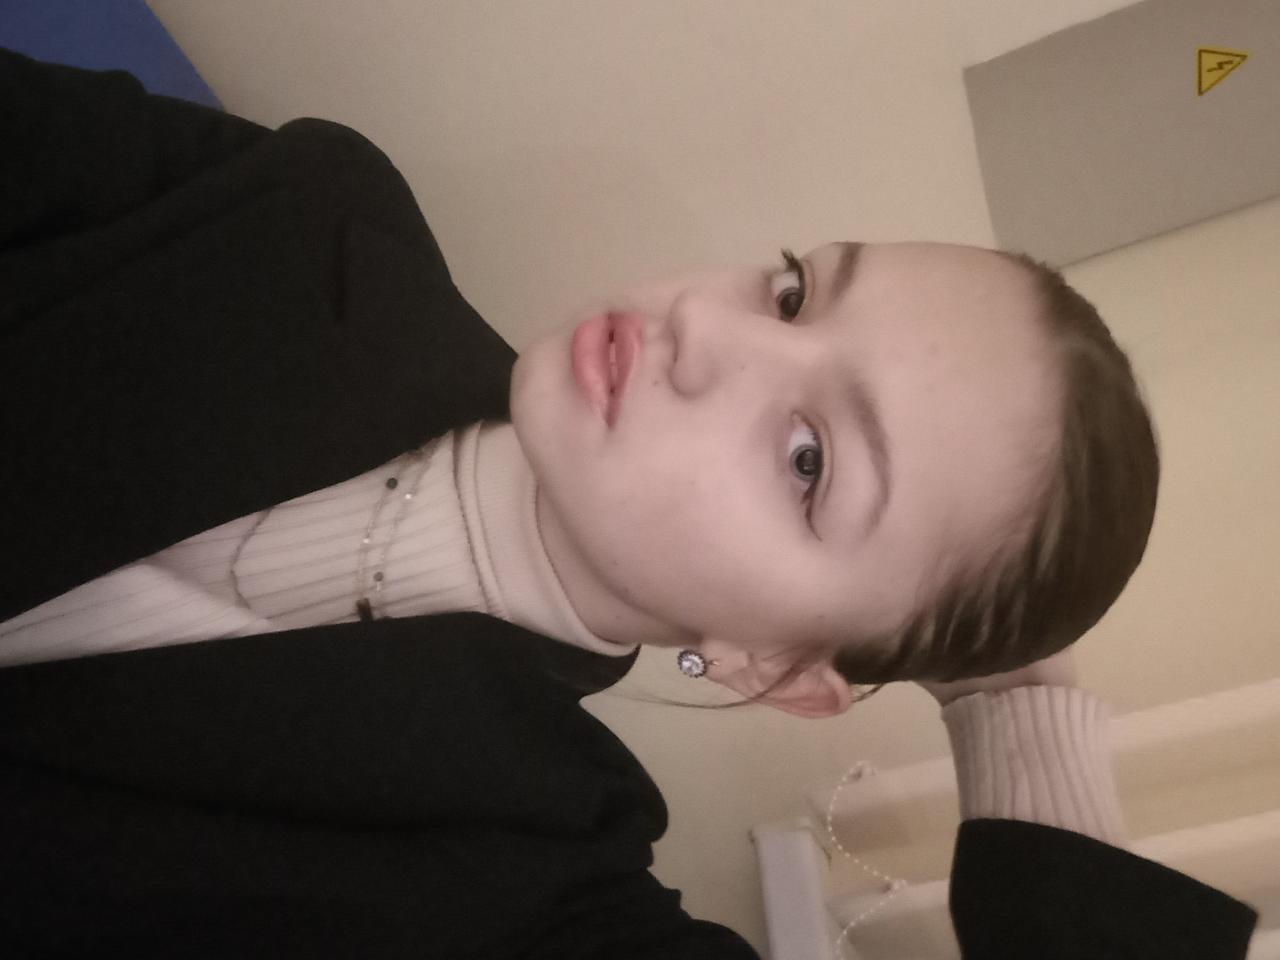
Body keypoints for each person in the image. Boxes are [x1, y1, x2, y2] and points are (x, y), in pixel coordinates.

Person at [0, 48, 1258, 958]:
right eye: (790, 293)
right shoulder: (316, 216)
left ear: (781, 669)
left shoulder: (539, 887)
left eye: (808, 460)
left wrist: (1014, 701)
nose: (706, 332)